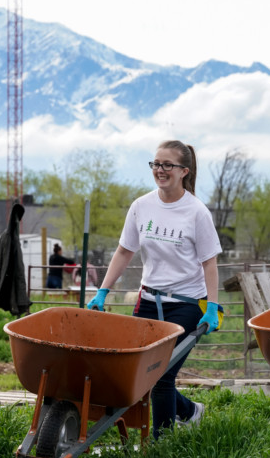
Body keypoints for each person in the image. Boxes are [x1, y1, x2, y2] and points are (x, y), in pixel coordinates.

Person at [86, 140, 223, 439]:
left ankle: (162, 445)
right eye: (156, 164)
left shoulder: (197, 212)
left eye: (167, 165)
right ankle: (190, 411)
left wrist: (212, 306)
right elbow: (124, 251)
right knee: (141, 374)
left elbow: (209, 263)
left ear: (184, 171)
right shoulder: (141, 206)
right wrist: (103, 291)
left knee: (161, 376)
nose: (160, 170)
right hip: (148, 300)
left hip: (187, 304)